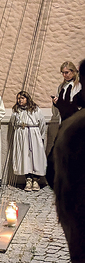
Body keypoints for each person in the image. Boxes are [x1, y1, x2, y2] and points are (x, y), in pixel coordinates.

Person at [51, 59, 85, 262]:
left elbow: (74, 107)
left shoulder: (77, 88)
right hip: (66, 124)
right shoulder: (62, 87)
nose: (65, 75)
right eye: (62, 72)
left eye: (67, 72)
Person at [9, 91, 47, 192]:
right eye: (18, 98)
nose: (20, 100)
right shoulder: (16, 111)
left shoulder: (35, 110)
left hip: (34, 134)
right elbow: (13, 123)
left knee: (35, 157)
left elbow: (42, 124)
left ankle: (36, 180)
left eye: (22, 98)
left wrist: (40, 137)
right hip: (22, 136)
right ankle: (28, 179)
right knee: (25, 157)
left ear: (27, 99)